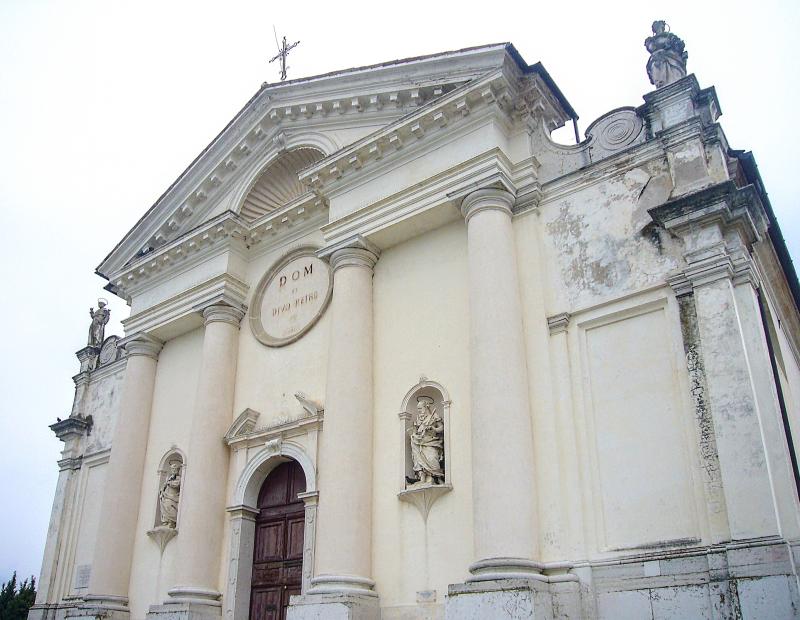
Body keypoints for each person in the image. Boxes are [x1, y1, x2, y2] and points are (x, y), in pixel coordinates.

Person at [409, 396, 444, 485]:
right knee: (419, 458)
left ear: (426, 407)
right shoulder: (419, 419)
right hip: (420, 441)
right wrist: (414, 434)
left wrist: (433, 429)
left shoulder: (434, 416)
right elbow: (416, 430)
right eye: (418, 409)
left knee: (432, 458)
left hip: (431, 441)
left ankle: (435, 476)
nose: (419, 410)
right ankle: (423, 477)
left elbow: (441, 428)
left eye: (420, 408)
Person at [159, 462, 182, 528]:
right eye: (172, 469)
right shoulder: (170, 478)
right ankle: (166, 521)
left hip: (173, 497)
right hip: (166, 496)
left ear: (178, 470)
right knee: (165, 506)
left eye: (175, 469)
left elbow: (177, 484)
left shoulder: (178, 478)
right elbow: (164, 485)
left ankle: (172, 521)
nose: (173, 471)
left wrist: (169, 483)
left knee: (170, 506)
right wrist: (162, 490)